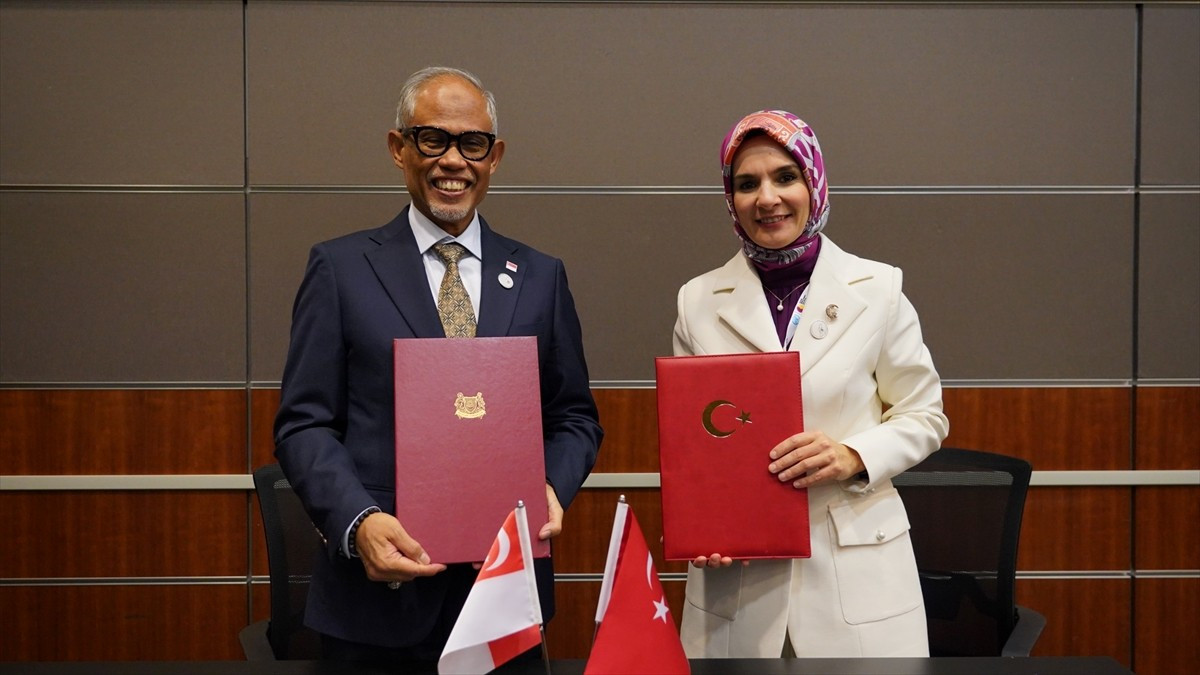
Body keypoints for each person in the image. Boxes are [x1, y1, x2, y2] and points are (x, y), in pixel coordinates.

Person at [273, 66, 603, 662]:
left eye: (471, 143)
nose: (454, 160)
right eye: (433, 139)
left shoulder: (540, 277)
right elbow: (303, 424)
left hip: (505, 601)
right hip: (376, 610)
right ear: (399, 148)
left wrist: (551, 487)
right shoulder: (340, 269)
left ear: (494, 156)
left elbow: (575, 417)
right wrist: (358, 522)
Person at [672, 110, 948, 658]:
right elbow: (695, 444)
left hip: (856, 574)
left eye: (785, 176)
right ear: (731, 199)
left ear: (813, 182)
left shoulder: (879, 288)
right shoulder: (696, 301)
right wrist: (705, 528)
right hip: (740, 582)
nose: (766, 198)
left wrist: (853, 454)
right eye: (746, 184)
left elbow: (925, 416)